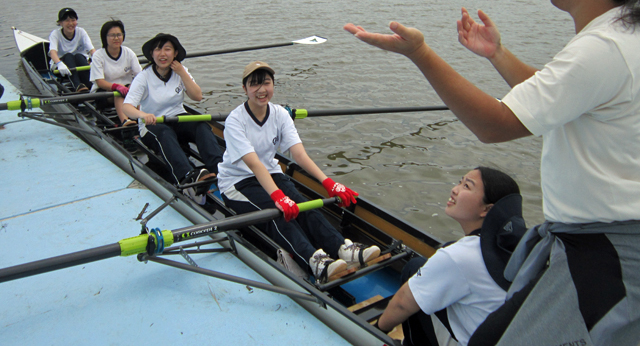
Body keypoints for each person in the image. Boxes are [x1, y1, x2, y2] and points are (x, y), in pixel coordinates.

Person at [345, 0, 640, 345]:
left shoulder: (601, 46)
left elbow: (495, 124)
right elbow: (556, 99)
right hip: (601, 242)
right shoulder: (622, 37)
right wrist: (496, 54)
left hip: (605, 249)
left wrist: (420, 54)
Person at [217, 61, 381, 283]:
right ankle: (315, 261)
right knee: (278, 215)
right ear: (244, 89)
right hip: (238, 182)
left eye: (266, 83)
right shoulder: (235, 120)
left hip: (271, 174)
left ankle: (343, 248)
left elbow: (300, 155)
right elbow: (254, 164)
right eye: (254, 85)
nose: (261, 90)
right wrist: (277, 197)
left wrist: (329, 183)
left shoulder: (280, 115)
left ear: (273, 85)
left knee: (303, 205)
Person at [376, 167, 525, 346]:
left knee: (413, 270)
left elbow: (402, 303)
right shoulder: (514, 248)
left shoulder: (461, 255)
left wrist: (376, 332)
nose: (455, 189)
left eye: (467, 186)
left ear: (487, 209)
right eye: (460, 182)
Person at [122, 33, 223, 191]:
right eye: (158, 50)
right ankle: (188, 174)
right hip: (153, 124)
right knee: (164, 133)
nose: (162, 54)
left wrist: (182, 73)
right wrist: (143, 116)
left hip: (177, 118)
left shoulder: (180, 72)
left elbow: (197, 96)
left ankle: (219, 168)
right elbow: (127, 106)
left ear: (175, 54)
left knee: (200, 124)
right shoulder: (143, 77)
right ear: (151, 54)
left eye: (167, 49)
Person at [90, 19, 142, 127]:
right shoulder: (98, 55)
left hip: (126, 89)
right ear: (105, 37)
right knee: (119, 92)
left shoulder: (129, 52)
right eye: (112, 35)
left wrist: (133, 86)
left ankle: (142, 117)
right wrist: (117, 86)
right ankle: (125, 121)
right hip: (105, 93)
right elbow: (100, 82)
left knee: (139, 89)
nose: (116, 38)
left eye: (119, 35)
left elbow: (140, 75)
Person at [48, 7, 96, 92]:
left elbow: (92, 50)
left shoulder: (81, 32)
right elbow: (52, 52)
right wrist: (59, 63)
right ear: (60, 23)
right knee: (69, 56)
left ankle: (90, 85)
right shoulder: (55, 34)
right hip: (61, 68)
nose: (70, 23)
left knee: (78, 56)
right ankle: (78, 86)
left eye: (73, 20)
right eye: (67, 20)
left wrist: (96, 61)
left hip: (79, 63)